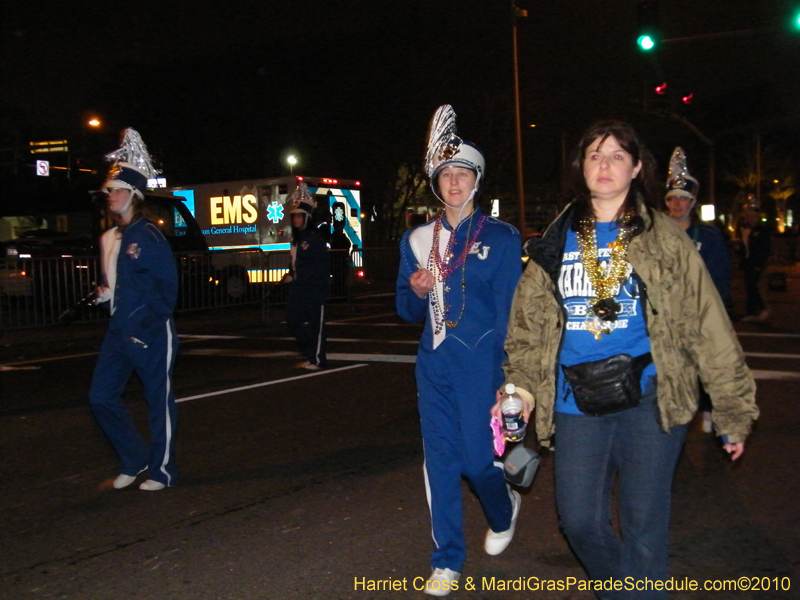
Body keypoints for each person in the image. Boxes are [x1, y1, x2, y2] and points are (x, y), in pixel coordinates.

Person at [498, 121, 758, 599]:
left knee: (643, 524)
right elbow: (528, 327)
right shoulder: (557, 237)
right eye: (595, 155)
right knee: (578, 520)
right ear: (581, 166)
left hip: (650, 396)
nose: (605, 164)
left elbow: (707, 322)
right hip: (576, 400)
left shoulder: (663, 237)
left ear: (637, 168)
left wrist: (732, 408)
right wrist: (520, 388)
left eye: (618, 155)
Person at [396, 105, 522, 596]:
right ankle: (446, 559)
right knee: (441, 463)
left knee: (477, 461)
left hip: (483, 362)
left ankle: (503, 506)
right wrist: (417, 291)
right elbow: (405, 311)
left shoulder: (502, 237)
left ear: (476, 181)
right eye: (446, 173)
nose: (454, 181)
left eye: (462, 173)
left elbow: (512, 312)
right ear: (436, 182)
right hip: (434, 364)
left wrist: (510, 379)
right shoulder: (416, 238)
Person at [88, 128, 179, 491]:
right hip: (117, 331)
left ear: (134, 195)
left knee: (157, 399)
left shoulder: (150, 237)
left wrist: (147, 326)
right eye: (108, 191)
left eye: (117, 190)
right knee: (100, 396)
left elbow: (166, 291)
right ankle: (134, 457)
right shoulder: (108, 238)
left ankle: (163, 470)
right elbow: (115, 284)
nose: (110, 196)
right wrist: (103, 294)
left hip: (150, 331)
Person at [664, 147, 732, 433]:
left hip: (700, 313)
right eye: (672, 199)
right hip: (667, 316)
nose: (677, 204)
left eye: (683, 198)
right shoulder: (656, 233)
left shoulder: (709, 237)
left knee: (705, 367)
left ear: (692, 202)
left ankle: (708, 407)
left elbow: (721, 277)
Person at [284, 183, 330, 370]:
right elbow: (296, 264)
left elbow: (319, 265)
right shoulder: (296, 240)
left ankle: (317, 359)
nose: (295, 218)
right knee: (292, 319)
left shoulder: (313, 239)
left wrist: (309, 281)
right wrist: (291, 275)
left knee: (315, 325)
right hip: (299, 288)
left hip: (313, 288)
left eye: (298, 215)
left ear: (306, 217)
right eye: (293, 215)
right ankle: (310, 354)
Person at [738, 204, 772, 322]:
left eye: (752, 216)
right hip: (748, 261)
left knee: (754, 286)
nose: (749, 218)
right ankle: (751, 312)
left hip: (756, 262)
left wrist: (760, 264)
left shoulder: (761, 230)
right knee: (749, 286)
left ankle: (762, 308)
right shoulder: (744, 229)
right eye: (748, 216)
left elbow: (764, 248)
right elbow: (744, 247)